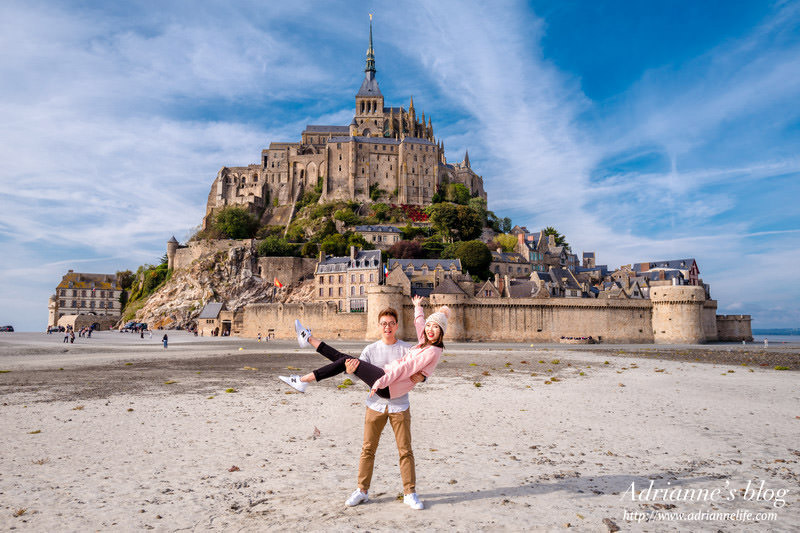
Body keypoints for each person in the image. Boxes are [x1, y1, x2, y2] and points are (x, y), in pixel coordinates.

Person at [343, 307, 426, 509]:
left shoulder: (407, 349)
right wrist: (349, 371)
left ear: (396, 326)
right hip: (374, 406)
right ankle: (362, 491)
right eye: (384, 323)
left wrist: (423, 377)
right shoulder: (370, 350)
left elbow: (423, 368)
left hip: (400, 406)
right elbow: (356, 377)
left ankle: (410, 492)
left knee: (405, 450)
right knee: (368, 449)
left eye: (391, 323)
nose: (387, 327)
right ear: (379, 326)